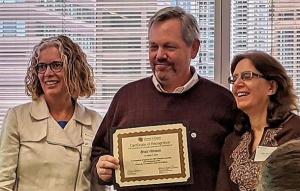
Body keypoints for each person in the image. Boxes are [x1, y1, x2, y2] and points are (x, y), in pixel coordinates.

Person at [91, 6, 235, 191]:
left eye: (169, 46)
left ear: (194, 48)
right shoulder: (126, 98)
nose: (159, 55)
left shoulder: (222, 101)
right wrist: (101, 167)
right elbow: (99, 152)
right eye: (153, 47)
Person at [0, 35, 102, 191]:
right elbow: (3, 181)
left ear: (74, 69)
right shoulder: (17, 117)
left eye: (56, 65)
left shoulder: (94, 121)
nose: (47, 73)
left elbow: (98, 185)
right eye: (42, 66)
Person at [216, 50, 300, 191]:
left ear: (271, 87)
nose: (237, 84)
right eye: (234, 78)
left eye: (247, 76)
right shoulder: (232, 141)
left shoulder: (296, 130)